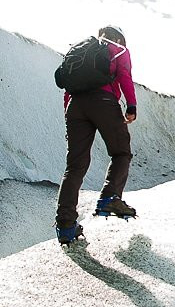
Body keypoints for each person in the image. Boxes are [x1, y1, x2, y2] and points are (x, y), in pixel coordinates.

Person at [55, 25, 137, 245]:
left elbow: (68, 90)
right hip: (103, 102)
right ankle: (110, 197)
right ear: (118, 37)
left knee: (74, 166)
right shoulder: (118, 50)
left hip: (75, 106)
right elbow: (125, 77)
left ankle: (65, 225)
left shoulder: (80, 50)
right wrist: (131, 105)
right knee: (121, 153)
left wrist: (69, 118)